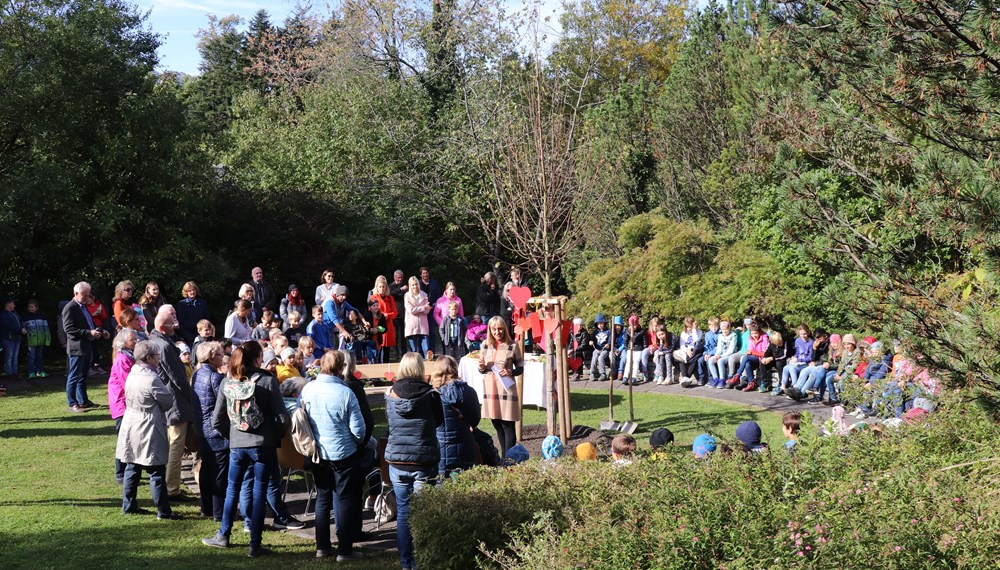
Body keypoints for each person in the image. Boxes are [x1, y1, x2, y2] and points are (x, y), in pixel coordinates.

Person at [202, 342, 290, 557]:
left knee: (232, 490)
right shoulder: (268, 381)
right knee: (259, 492)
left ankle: (223, 535)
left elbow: (217, 419)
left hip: (236, 445)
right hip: (263, 445)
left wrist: (231, 436)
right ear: (258, 357)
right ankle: (255, 545)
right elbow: (281, 417)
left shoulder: (227, 381)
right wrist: (273, 436)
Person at [300, 350, 367, 561]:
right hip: (342, 452)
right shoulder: (346, 393)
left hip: (318, 452)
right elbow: (359, 431)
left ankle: (322, 547)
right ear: (340, 368)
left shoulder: (308, 388)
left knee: (322, 498)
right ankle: (345, 551)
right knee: (344, 499)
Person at [384, 352, 443, 570]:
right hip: (422, 460)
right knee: (422, 513)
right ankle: (421, 559)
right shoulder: (431, 395)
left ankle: (406, 563)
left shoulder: (389, 393)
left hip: (398, 461)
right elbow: (439, 422)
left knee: (404, 513)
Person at [116, 340, 180, 519]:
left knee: (132, 466)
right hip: (148, 425)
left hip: (131, 423)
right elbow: (167, 402)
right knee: (156, 470)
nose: (159, 359)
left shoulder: (132, 373)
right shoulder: (151, 379)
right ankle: (164, 511)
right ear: (149, 357)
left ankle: (128, 505)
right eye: (157, 356)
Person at [148, 309, 197, 502]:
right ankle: (172, 488)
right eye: (171, 324)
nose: (175, 326)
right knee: (176, 445)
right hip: (175, 402)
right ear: (162, 327)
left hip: (165, 401)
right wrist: (192, 396)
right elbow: (178, 378)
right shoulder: (165, 347)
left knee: (172, 444)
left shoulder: (152, 340)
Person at [192, 341, 229, 521]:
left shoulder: (197, 374)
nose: (223, 357)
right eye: (220, 354)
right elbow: (224, 405)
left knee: (206, 469)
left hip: (202, 429)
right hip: (215, 431)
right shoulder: (216, 378)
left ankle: (205, 507)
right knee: (219, 473)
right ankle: (218, 511)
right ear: (211, 358)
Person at [479, 316, 523, 456]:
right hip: (491, 388)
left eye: (500, 329)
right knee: (497, 423)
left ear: (504, 329)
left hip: (506, 389)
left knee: (507, 424)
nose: (497, 332)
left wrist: (510, 371)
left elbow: (521, 368)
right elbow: (483, 369)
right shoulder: (485, 345)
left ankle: (509, 457)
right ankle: (504, 457)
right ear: (490, 330)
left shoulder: (513, 345)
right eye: (494, 329)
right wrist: (481, 367)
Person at [430, 355, 479, 476]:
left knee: (442, 486)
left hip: (440, 446)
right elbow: (475, 420)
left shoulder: (432, 395)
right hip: (466, 443)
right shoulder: (469, 391)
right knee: (467, 484)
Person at [63, 282, 107, 412]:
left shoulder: (83, 307)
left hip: (87, 345)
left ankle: (83, 401)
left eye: (88, 295)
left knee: (83, 375)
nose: (87, 298)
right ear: (76, 294)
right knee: (74, 375)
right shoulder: (70, 307)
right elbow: (69, 329)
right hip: (77, 347)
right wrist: (89, 333)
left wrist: (100, 330)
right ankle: (72, 403)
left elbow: (89, 324)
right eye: (84, 295)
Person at [108, 328, 138, 484]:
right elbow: (128, 382)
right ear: (124, 343)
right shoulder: (122, 359)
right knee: (123, 438)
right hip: (121, 404)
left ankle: (129, 469)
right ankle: (120, 473)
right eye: (133, 340)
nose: (136, 341)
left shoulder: (129, 356)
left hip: (126, 403)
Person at [323, 285, 364, 350]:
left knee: (336, 344)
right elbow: (334, 319)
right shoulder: (329, 302)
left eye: (345, 295)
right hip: (325, 326)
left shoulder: (342, 301)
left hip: (334, 326)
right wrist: (344, 331)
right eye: (342, 295)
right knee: (329, 347)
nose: (344, 297)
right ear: (337, 294)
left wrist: (364, 321)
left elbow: (354, 310)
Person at [368, 276, 398, 359]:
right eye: (380, 287)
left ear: (386, 287)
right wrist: (380, 315)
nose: (382, 288)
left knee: (387, 351)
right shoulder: (373, 297)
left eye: (383, 286)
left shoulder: (390, 298)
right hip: (377, 324)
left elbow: (395, 313)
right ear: (377, 287)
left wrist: (387, 315)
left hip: (388, 325)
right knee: (377, 348)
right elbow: (370, 311)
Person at [83, 291, 111, 375]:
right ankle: (90, 366)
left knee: (97, 348)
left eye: (89, 298)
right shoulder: (85, 307)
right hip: (90, 329)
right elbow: (87, 317)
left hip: (99, 328)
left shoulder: (99, 305)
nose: (88, 300)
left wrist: (99, 313)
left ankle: (97, 365)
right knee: (92, 347)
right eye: (86, 298)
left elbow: (104, 316)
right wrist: (94, 314)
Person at [22, 299, 51, 379]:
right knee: (31, 357)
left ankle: (40, 371)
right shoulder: (25, 316)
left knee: (39, 356)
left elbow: (46, 328)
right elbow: (23, 327)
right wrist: (23, 330)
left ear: (36, 307)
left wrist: (47, 339)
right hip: (31, 341)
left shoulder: (42, 316)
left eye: (32, 307)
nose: (30, 308)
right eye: (29, 307)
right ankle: (31, 372)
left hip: (41, 340)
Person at [175, 281, 210, 346]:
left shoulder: (202, 303)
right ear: (186, 292)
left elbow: (207, 318)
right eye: (189, 290)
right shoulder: (182, 304)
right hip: (189, 336)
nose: (192, 292)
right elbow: (182, 321)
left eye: (193, 290)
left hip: (202, 335)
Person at [403, 276, 431, 357]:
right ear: (410, 286)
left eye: (416, 284)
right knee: (414, 351)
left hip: (423, 325)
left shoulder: (424, 295)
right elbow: (411, 310)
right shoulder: (407, 296)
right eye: (413, 285)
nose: (415, 286)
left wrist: (421, 309)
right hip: (411, 326)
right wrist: (422, 308)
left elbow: (427, 310)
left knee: (426, 350)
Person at [709, 320, 737, 388]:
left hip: (729, 355)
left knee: (720, 361)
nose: (724, 331)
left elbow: (731, 350)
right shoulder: (720, 336)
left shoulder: (733, 335)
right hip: (721, 354)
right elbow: (719, 348)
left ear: (729, 328)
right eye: (723, 329)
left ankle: (722, 379)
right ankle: (715, 379)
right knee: (710, 360)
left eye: (726, 329)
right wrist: (716, 355)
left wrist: (720, 356)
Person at [1, 298, 25, 379]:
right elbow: (8, 326)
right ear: (8, 304)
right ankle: (9, 374)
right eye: (13, 303)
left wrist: (23, 328)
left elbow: (20, 322)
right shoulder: (4, 314)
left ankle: (15, 373)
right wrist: (20, 330)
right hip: (8, 339)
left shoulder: (15, 313)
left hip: (17, 338)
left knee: (15, 356)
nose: (14, 305)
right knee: (9, 356)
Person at [388, 270, 407, 358]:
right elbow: (390, 294)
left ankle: (404, 352)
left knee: (403, 335)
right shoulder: (391, 286)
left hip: (404, 314)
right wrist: (400, 289)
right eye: (398, 278)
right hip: (394, 315)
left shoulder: (405, 286)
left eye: (401, 278)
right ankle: (395, 352)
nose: (400, 279)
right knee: (395, 335)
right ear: (394, 277)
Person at [589, 314, 611, 381]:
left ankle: (603, 374)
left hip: (605, 349)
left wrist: (608, 344)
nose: (600, 325)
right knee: (594, 356)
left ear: (604, 323)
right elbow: (592, 339)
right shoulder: (595, 332)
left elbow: (610, 340)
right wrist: (591, 342)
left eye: (601, 323)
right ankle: (592, 373)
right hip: (597, 349)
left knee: (600, 357)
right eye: (598, 324)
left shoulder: (609, 331)